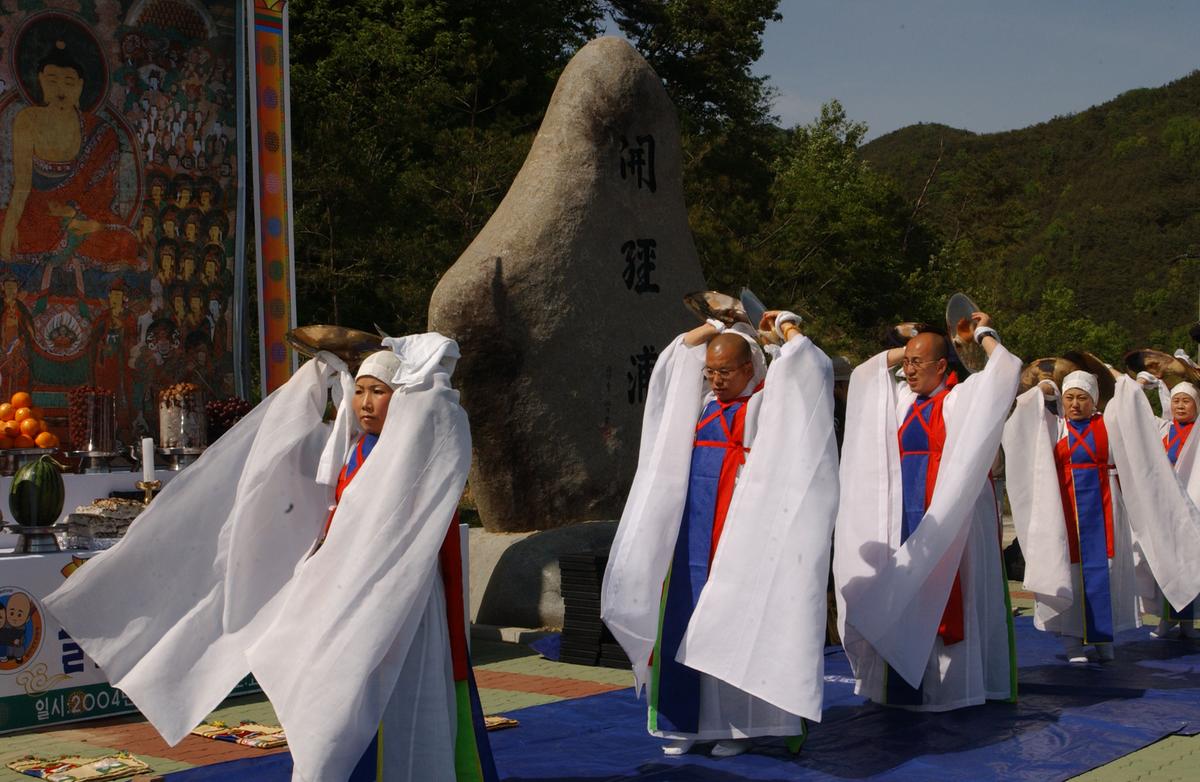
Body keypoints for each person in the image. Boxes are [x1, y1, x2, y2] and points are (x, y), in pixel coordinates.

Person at [46, 334, 495, 781]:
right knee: (340, 691)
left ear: (404, 398)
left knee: (394, 698)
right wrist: (323, 375)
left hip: (401, 599)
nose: (365, 402)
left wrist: (414, 358)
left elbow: (435, 409)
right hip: (350, 590)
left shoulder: (415, 450)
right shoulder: (352, 448)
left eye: (380, 391)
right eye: (359, 390)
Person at [603, 310, 839, 757]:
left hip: (737, 533)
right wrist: (716, 324)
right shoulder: (702, 404)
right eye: (710, 371)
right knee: (683, 619)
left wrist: (785, 326)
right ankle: (687, 724)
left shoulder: (764, 406)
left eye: (725, 371)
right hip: (691, 530)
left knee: (733, 622)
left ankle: (738, 727)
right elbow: (675, 360)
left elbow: (807, 368)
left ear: (750, 369)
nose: (714, 379)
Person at [834, 313, 1020, 711]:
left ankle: (948, 687)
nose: (908, 369)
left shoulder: (959, 400)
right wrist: (912, 346)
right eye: (906, 363)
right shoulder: (901, 400)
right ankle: (901, 681)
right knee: (902, 592)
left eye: (919, 363)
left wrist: (981, 334)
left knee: (948, 594)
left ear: (942, 366)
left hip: (948, 518)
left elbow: (1005, 371)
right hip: (903, 514)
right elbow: (867, 375)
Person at [1004, 369, 1200, 662]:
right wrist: (1046, 387)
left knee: (1103, 573)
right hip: (1066, 511)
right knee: (1070, 574)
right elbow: (1025, 417)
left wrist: (1124, 380)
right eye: (1069, 397)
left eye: (1081, 398)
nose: (1074, 404)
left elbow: (1131, 417)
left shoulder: (1107, 425)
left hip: (1105, 507)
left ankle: (1102, 638)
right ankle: (1072, 643)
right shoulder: (1056, 427)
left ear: (1094, 400)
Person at [1137, 377, 1200, 637]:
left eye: (1187, 401)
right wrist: (1138, 385)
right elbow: (1136, 415)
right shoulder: (1163, 429)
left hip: (1194, 506)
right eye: (1176, 401)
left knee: (1192, 563)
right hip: (1165, 509)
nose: (1180, 406)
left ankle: (1187, 622)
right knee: (1165, 562)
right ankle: (1167, 618)